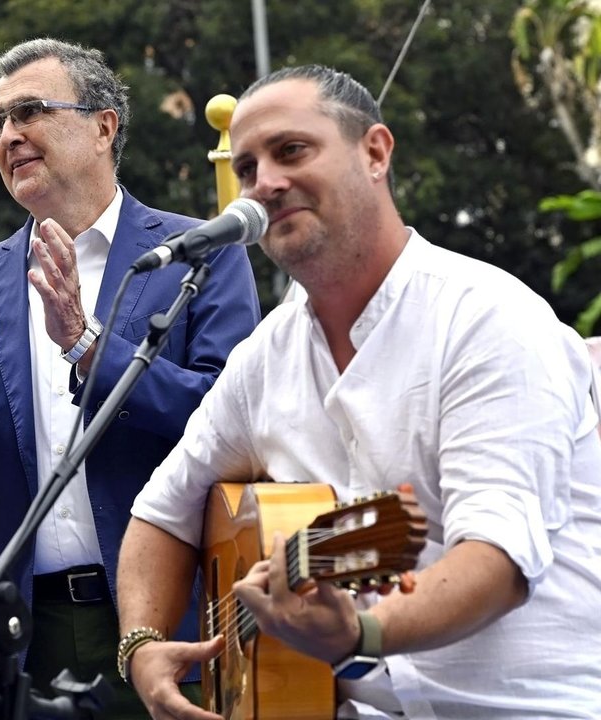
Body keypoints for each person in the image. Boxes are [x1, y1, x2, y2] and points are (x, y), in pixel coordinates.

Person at [117, 64, 601, 719]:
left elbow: (497, 559)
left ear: (375, 152)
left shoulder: (489, 320)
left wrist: (359, 635)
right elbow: (161, 511)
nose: (265, 185)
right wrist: (143, 646)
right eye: (250, 168)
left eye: (292, 151)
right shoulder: (265, 356)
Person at [0, 38, 260, 716]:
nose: (9, 135)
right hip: (25, 642)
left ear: (103, 126)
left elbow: (232, 421)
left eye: (30, 111)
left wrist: (89, 345)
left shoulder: (196, 258)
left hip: (168, 623)